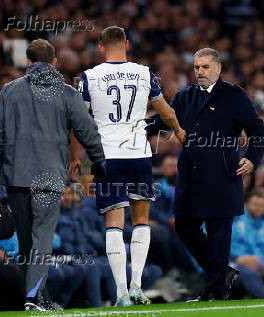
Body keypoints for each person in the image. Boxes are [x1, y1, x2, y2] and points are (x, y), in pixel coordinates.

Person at [0, 39, 105, 311]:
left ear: (27, 62)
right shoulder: (68, 94)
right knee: (41, 241)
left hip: (15, 177)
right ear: (54, 63)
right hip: (49, 178)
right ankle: (34, 298)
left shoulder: (9, 91)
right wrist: (98, 162)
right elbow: (88, 131)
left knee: (28, 243)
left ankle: (38, 298)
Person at [77, 26, 185, 307]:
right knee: (141, 220)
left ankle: (121, 293)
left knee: (114, 222)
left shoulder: (90, 77)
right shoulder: (144, 72)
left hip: (107, 155)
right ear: (126, 43)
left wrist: (76, 159)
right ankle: (137, 284)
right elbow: (166, 111)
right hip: (138, 154)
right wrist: (179, 131)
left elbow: (79, 122)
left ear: (101, 47)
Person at [149, 48, 264, 301]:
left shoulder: (234, 95)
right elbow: (165, 120)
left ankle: (215, 289)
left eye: (204, 67)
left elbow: (258, 130)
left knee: (218, 234)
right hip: (190, 177)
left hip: (222, 176)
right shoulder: (184, 96)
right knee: (183, 225)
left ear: (218, 68)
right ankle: (222, 273)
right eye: (196, 67)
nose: (199, 72)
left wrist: (252, 158)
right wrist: (139, 121)